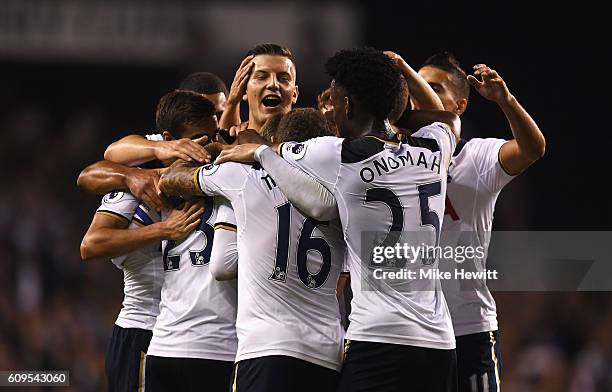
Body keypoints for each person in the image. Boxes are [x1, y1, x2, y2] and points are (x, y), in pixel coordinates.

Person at [216, 47, 461, 392]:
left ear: (347, 106)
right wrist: (393, 109)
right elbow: (449, 119)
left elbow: (260, 141)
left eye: (336, 98)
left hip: (377, 336)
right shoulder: (436, 148)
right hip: (439, 342)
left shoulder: (335, 153)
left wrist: (256, 149)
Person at [157, 107, 346, 392]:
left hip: (267, 347)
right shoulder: (344, 191)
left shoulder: (243, 175)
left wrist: (214, 150)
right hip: (328, 353)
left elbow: (170, 179)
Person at [79, 90, 240, 391]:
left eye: (215, 131)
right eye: (199, 137)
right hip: (145, 328)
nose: (209, 144)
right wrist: (133, 182)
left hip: (191, 334)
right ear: (169, 138)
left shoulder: (222, 166)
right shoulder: (146, 176)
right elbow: (91, 238)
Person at [418, 52, 546, 391]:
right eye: (416, 86)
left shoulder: (476, 156)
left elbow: (531, 149)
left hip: (468, 325)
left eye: (433, 88)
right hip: (411, 328)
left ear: (459, 105)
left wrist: (506, 100)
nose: (421, 96)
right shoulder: (393, 157)